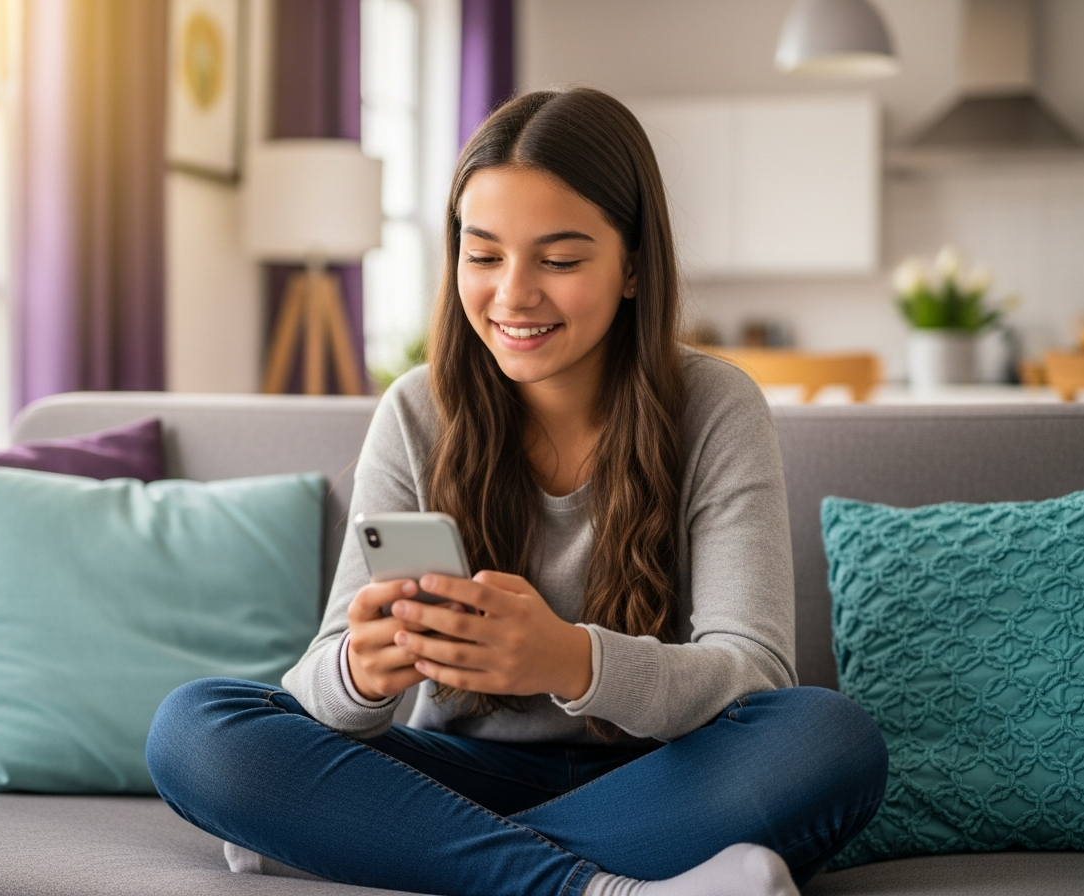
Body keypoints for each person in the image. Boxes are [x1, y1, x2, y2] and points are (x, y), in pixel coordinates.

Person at [146, 87, 888, 896]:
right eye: (484, 254)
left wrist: (571, 660)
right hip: (456, 773)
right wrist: (361, 670)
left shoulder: (716, 406)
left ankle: (379, 848)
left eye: (560, 260)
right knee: (196, 727)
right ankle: (593, 887)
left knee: (830, 738)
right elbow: (316, 692)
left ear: (634, 264)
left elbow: (754, 673)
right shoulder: (417, 411)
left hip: (667, 775)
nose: (512, 295)